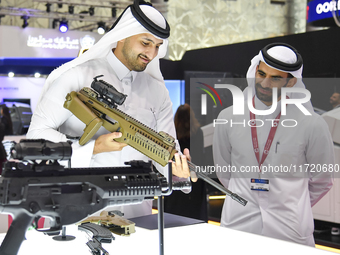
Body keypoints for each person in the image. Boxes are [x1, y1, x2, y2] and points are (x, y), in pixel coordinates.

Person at [27, 1, 192, 218]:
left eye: (158, 46)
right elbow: (36, 136)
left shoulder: (157, 92)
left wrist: (179, 173)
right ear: (123, 34)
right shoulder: (78, 76)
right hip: (79, 214)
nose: (152, 54)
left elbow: (167, 154)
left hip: (137, 216)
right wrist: (91, 148)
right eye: (145, 43)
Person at [213, 43, 334, 246]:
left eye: (275, 78)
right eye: (261, 74)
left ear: (291, 82)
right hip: (239, 226)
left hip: (290, 231)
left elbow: (322, 180)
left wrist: (294, 204)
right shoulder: (227, 118)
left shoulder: (312, 124)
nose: (265, 83)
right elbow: (224, 173)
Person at [164, 104, 207, 221]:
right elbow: (199, 158)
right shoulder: (198, 132)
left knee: (174, 213)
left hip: (175, 177)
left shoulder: (173, 134)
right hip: (194, 178)